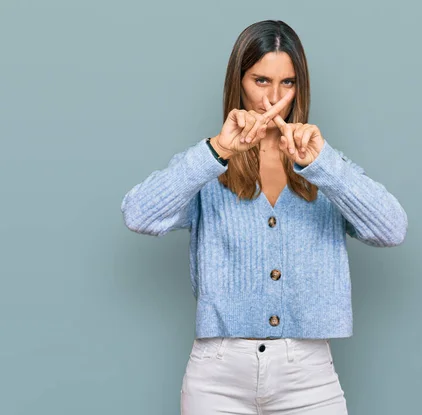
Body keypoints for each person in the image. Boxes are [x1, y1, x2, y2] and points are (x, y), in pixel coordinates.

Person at [120, 19, 407, 415]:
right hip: (216, 376)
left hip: (308, 376)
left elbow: (391, 229)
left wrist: (323, 165)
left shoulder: (322, 166)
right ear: (238, 81)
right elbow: (139, 214)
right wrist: (219, 150)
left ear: (299, 88)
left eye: (286, 83)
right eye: (261, 81)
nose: (273, 98)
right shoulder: (210, 165)